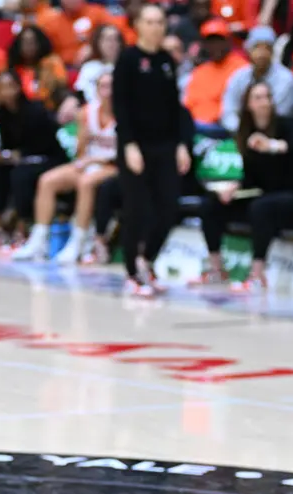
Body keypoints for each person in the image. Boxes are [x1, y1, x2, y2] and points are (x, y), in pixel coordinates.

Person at [197, 81, 293, 290]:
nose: (264, 102)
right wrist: (234, 188)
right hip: (262, 193)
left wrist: (272, 145)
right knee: (210, 204)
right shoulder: (245, 131)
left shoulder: (283, 124)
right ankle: (216, 268)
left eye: (267, 97)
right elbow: (252, 179)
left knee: (261, 207)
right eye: (258, 97)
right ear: (248, 103)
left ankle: (257, 273)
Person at [112, 4, 194, 295]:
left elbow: (175, 108)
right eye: (149, 22)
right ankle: (132, 272)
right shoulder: (128, 60)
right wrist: (130, 145)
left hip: (165, 145)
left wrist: (182, 145)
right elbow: (121, 107)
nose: (156, 27)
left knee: (169, 207)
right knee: (137, 209)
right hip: (135, 146)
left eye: (160, 22)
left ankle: (148, 260)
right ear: (138, 25)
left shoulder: (166, 62)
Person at [14, 72, 118, 263]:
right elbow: (81, 152)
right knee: (47, 180)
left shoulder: (125, 113)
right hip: (88, 163)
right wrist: (84, 151)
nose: (107, 91)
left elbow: (124, 154)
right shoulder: (86, 113)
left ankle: (77, 243)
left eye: (111, 86)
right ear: (96, 90)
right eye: (103, 86)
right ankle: (38, 238)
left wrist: (95, 162)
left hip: (113, 165)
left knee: (86, 182)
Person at [0, 69, 69, 245]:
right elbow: (7, 144)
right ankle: (0, 223)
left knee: (21, 175)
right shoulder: (2, 113)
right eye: (2, 88)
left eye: (10, 86)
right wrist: (2, 155)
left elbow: (45, 142)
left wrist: (20, 154)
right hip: (20, 159)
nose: (7, 91)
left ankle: (23, 226)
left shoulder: (34, 110)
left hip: (48, 158)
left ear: (18, 87)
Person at [219, 26, 293, 132]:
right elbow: (228, 111)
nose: (262, 53)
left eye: (267, 48)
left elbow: (277, 115)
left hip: (279, 132)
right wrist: (242, 130)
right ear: (248, 50)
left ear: (273, 52)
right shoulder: (239, 76)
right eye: (257, 47)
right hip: (242, 132)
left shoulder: (285, 78)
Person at [183, 18, 249, 127]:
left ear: (228, 41)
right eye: (210, 41)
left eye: (219, 41)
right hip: (198, 128)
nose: (215, 46)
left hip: (226, 130)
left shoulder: (242, 68)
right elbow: (189, 104)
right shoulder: (199, 72)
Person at [65, 23, 124, 121]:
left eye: (115, 39)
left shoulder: (127, 66)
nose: (112, 43)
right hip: (90, 114)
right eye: (107, 39)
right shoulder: (89, 67)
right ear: (98, 42)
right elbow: (79, 95)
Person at [9, 24, 71, 112]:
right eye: (25, 42)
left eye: (32, 42)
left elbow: (62, 87)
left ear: (40, 42)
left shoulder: (52, 63)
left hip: (52, 111)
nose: (29, 46)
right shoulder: (14, 71)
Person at [36, 0, 117, 66]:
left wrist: (93, 46)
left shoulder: (97, 13)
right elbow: (46, 52)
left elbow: (116, 34)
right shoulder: (52, 23)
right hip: (66, 69)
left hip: (98, 65)